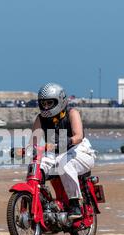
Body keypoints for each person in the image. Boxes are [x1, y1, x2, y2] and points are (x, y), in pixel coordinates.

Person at [29, 83, 96, 220]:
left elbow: (78, 136)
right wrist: (24, 150)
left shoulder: (72, 113)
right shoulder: (40, 119)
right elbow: (34, 142)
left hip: (79, 152)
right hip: (56, 153)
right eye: (43, 103)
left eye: (49, 103)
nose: (46, 107)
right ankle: (40, 200)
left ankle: (75, 203)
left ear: (60, 101)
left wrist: (66, 142)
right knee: (37, 166)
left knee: (63, 164)